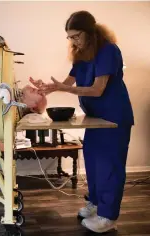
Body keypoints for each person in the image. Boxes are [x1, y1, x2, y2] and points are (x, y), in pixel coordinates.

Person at [30, 10, 134, 233]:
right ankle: (96, 204)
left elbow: (97, 89)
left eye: (76, 36)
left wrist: (65, 88)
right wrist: (50, 87)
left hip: (114, 117)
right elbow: (68, 81)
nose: (73, 41)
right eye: (70, 37)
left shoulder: (108, 50)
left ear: (90, 32)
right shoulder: (81, 52)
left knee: (109, 166)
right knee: (94, 162)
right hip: (95, 118)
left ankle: (108, 217)